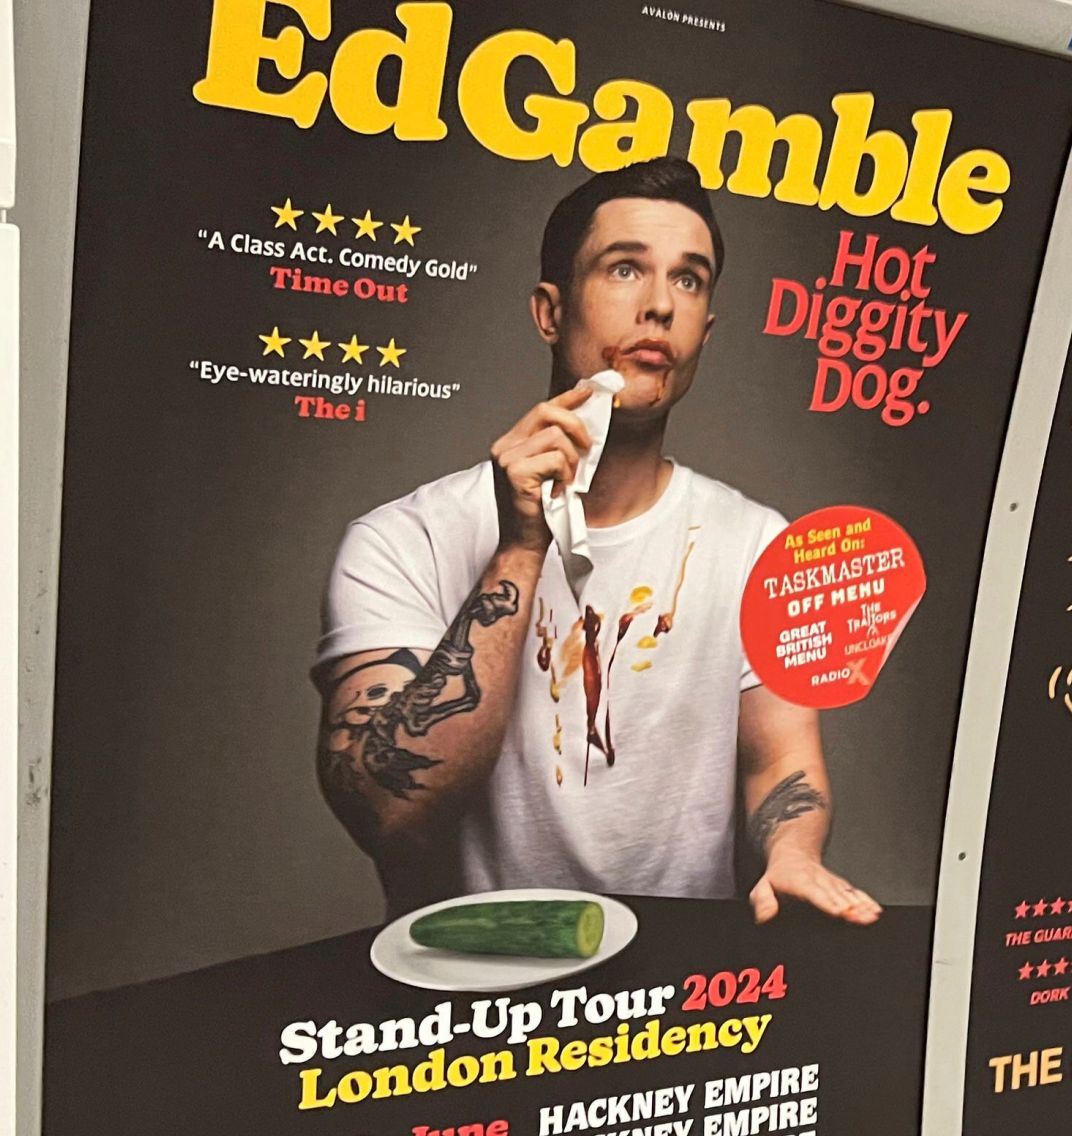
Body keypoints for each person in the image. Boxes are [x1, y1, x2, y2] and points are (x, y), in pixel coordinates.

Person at [314, 158, 880, 927]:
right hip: (463, 994)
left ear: (706, 330)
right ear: (550, 311)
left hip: (675, 992)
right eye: (624, 269)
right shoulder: (402, 540)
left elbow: (780, 761)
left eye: (689, 280)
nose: (658, 307)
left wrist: (794, 854)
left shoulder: (758, 545)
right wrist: (520, 545)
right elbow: (385, 808)